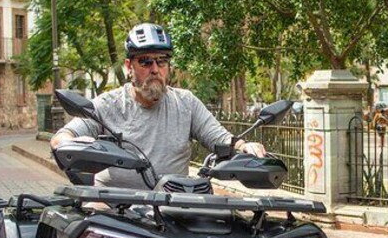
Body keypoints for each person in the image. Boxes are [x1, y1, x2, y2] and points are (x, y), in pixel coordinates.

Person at [50, 22, 266, 189]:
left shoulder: (186, 103)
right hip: (114, 206)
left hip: (172, 206)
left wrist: (243, 147)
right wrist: (78, 144)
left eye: (161, 61)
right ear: (129, 66)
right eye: (145, 61)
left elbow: (218, 137)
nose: (155, 69)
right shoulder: (108, 105)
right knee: (86, 224)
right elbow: (62, 138)